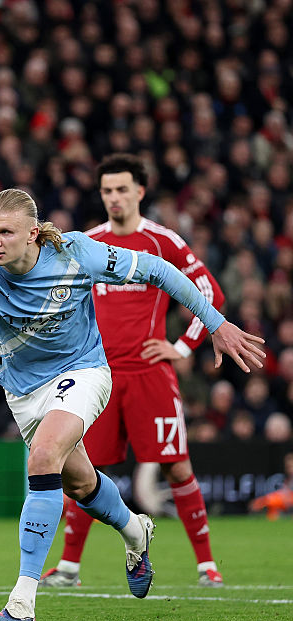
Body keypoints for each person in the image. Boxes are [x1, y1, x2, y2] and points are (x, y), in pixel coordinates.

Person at [0, 188, 264, 621]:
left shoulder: (76, 254)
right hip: (21, 389)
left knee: (43, 457)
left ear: (32, 234)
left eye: (6, 232)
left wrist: (215, 323)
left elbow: (159, 270)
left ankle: (22, 599)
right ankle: (135, 531)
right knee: (80, 483)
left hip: (83, 371)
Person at [41, 154, 227, 589]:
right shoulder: (88, 242)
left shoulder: (162, 241)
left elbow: (209, 291)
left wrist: (181, 346)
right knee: (82, 468)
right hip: (97, 375)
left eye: (122, 189)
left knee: (176, 467)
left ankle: (207, 566)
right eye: (107, 190)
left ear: (140, 192)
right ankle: (69, 568)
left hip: (150, 375)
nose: (115, 198)